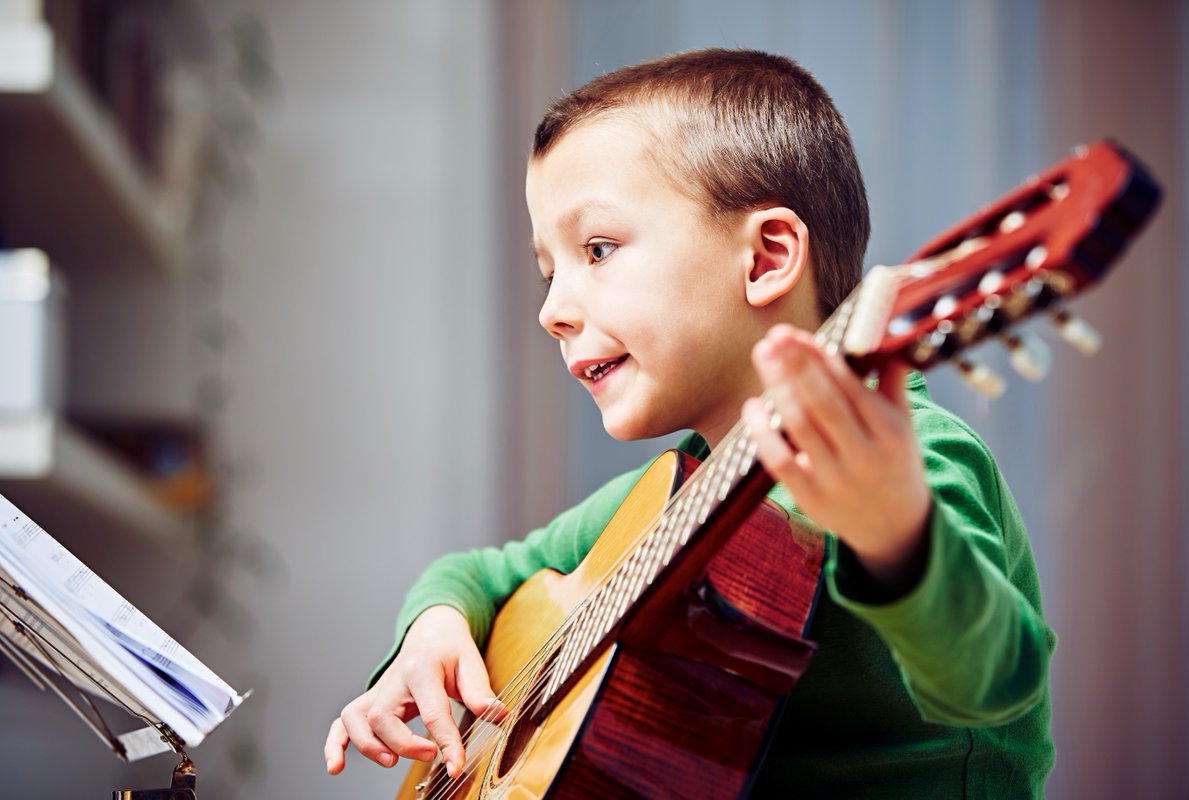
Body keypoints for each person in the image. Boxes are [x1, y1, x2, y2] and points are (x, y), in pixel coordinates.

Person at [324, 48, 1055, 798]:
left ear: (767, 258)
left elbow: (997, 681)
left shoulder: (905, 458)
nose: (551, 311)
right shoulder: (673, 495)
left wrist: (897, 532)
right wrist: (434, 629)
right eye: (550, 272)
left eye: (597, 249)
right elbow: (478, 572)